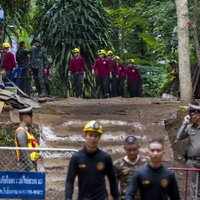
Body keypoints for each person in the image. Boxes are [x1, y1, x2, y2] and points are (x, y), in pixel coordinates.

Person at [65, 120, 119, 200]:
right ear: (85, 136)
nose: (92, 138)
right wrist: (68, 198)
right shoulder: (76, 158)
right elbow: (69, 181)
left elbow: (112, 180)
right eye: (90, 135)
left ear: (99, 138)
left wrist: (116, 197)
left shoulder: (105, 158)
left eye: (96, 136)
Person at [177, 104, 200, 200]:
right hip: (193, 162)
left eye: (192, 114)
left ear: (198, 115)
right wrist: (184, 123)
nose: (190, 116)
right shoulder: (190, 126)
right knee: (194, 187)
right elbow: (179, 137)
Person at [114, 136, 148, 200]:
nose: (132, 152)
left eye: (134, 149)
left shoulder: (147, 162)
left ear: (139, 146)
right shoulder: (118, 164)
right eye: (129, 150)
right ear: (124, 148)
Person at [15, 106, 39, 172]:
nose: (32, 119)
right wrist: (31, 168)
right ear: (25, 117)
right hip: (25, 168)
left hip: (29, 165)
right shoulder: (21, 132)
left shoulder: (25, 131)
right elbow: (24, 151)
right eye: (31, 116)